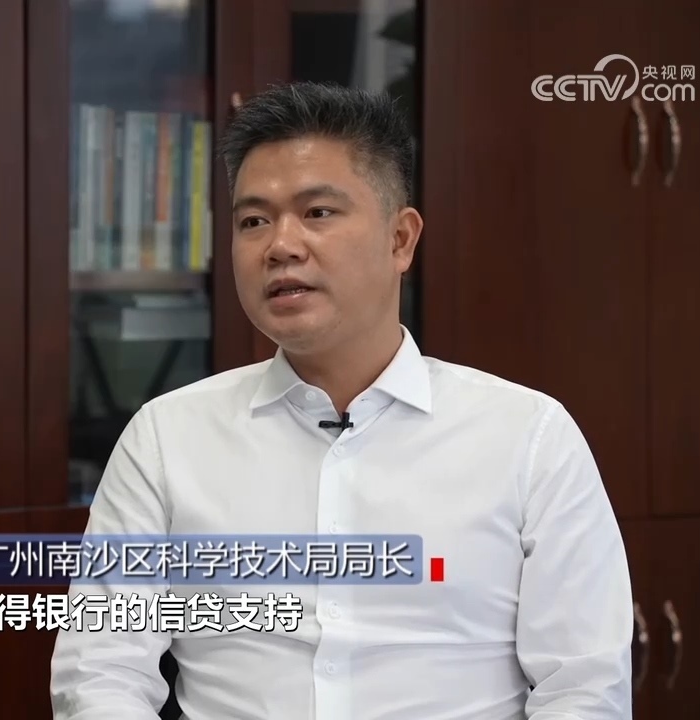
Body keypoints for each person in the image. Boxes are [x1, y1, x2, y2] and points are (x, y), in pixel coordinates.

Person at [49, 81, 633, 720]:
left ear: (400, 240)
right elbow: (102, 672)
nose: (281, 245)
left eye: (318, 212)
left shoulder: (529, 438)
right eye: (253, 221)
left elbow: (583, 690)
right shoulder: (166, 438)